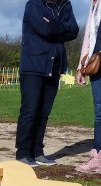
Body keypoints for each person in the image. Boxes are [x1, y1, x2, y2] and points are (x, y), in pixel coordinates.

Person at [15, 0, 78, 167]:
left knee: (44, 113)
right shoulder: (33, 5)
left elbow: (74, 30)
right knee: (30, 111)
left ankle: (37, 152)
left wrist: (55, 26)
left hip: (54, 66)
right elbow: (45, 29)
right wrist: (61, 28)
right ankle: (22, 153)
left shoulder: (66, 4)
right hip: (34, 66)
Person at [76, 0, 101, 173]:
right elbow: (88, 38)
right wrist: (80, 68)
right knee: (99, 111)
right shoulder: (94, 5)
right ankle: (97, 157)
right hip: (96, 63)